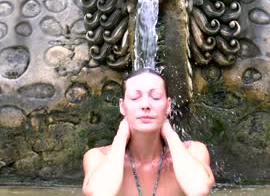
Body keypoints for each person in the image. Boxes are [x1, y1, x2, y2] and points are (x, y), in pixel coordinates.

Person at [82, 68, 215, 195]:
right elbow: (99, 193)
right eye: (135, 98)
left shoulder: (194, 151)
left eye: (155, 97)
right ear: (122, 106)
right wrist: (121, 136)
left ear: (168, 105)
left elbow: (198, 190)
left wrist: (169, 133)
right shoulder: (97, 157)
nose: (145, 105)